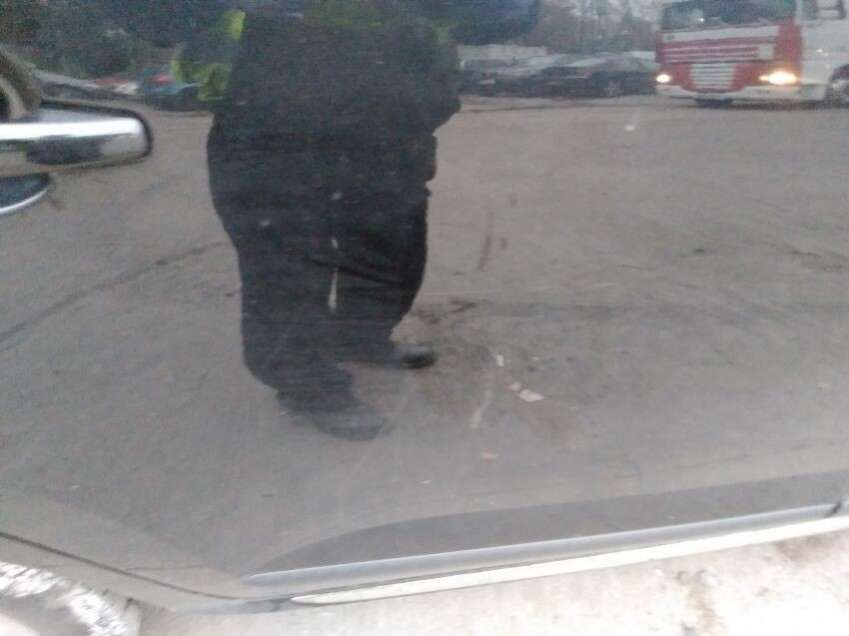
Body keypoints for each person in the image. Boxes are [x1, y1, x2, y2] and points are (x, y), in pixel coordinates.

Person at [114, 0, 539, 440]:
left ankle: (362, 337)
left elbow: (511, 14)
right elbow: (150, 17)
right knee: (286, 261)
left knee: (393, 244)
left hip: (393, 121)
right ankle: (307, 384)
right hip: (271, 119)